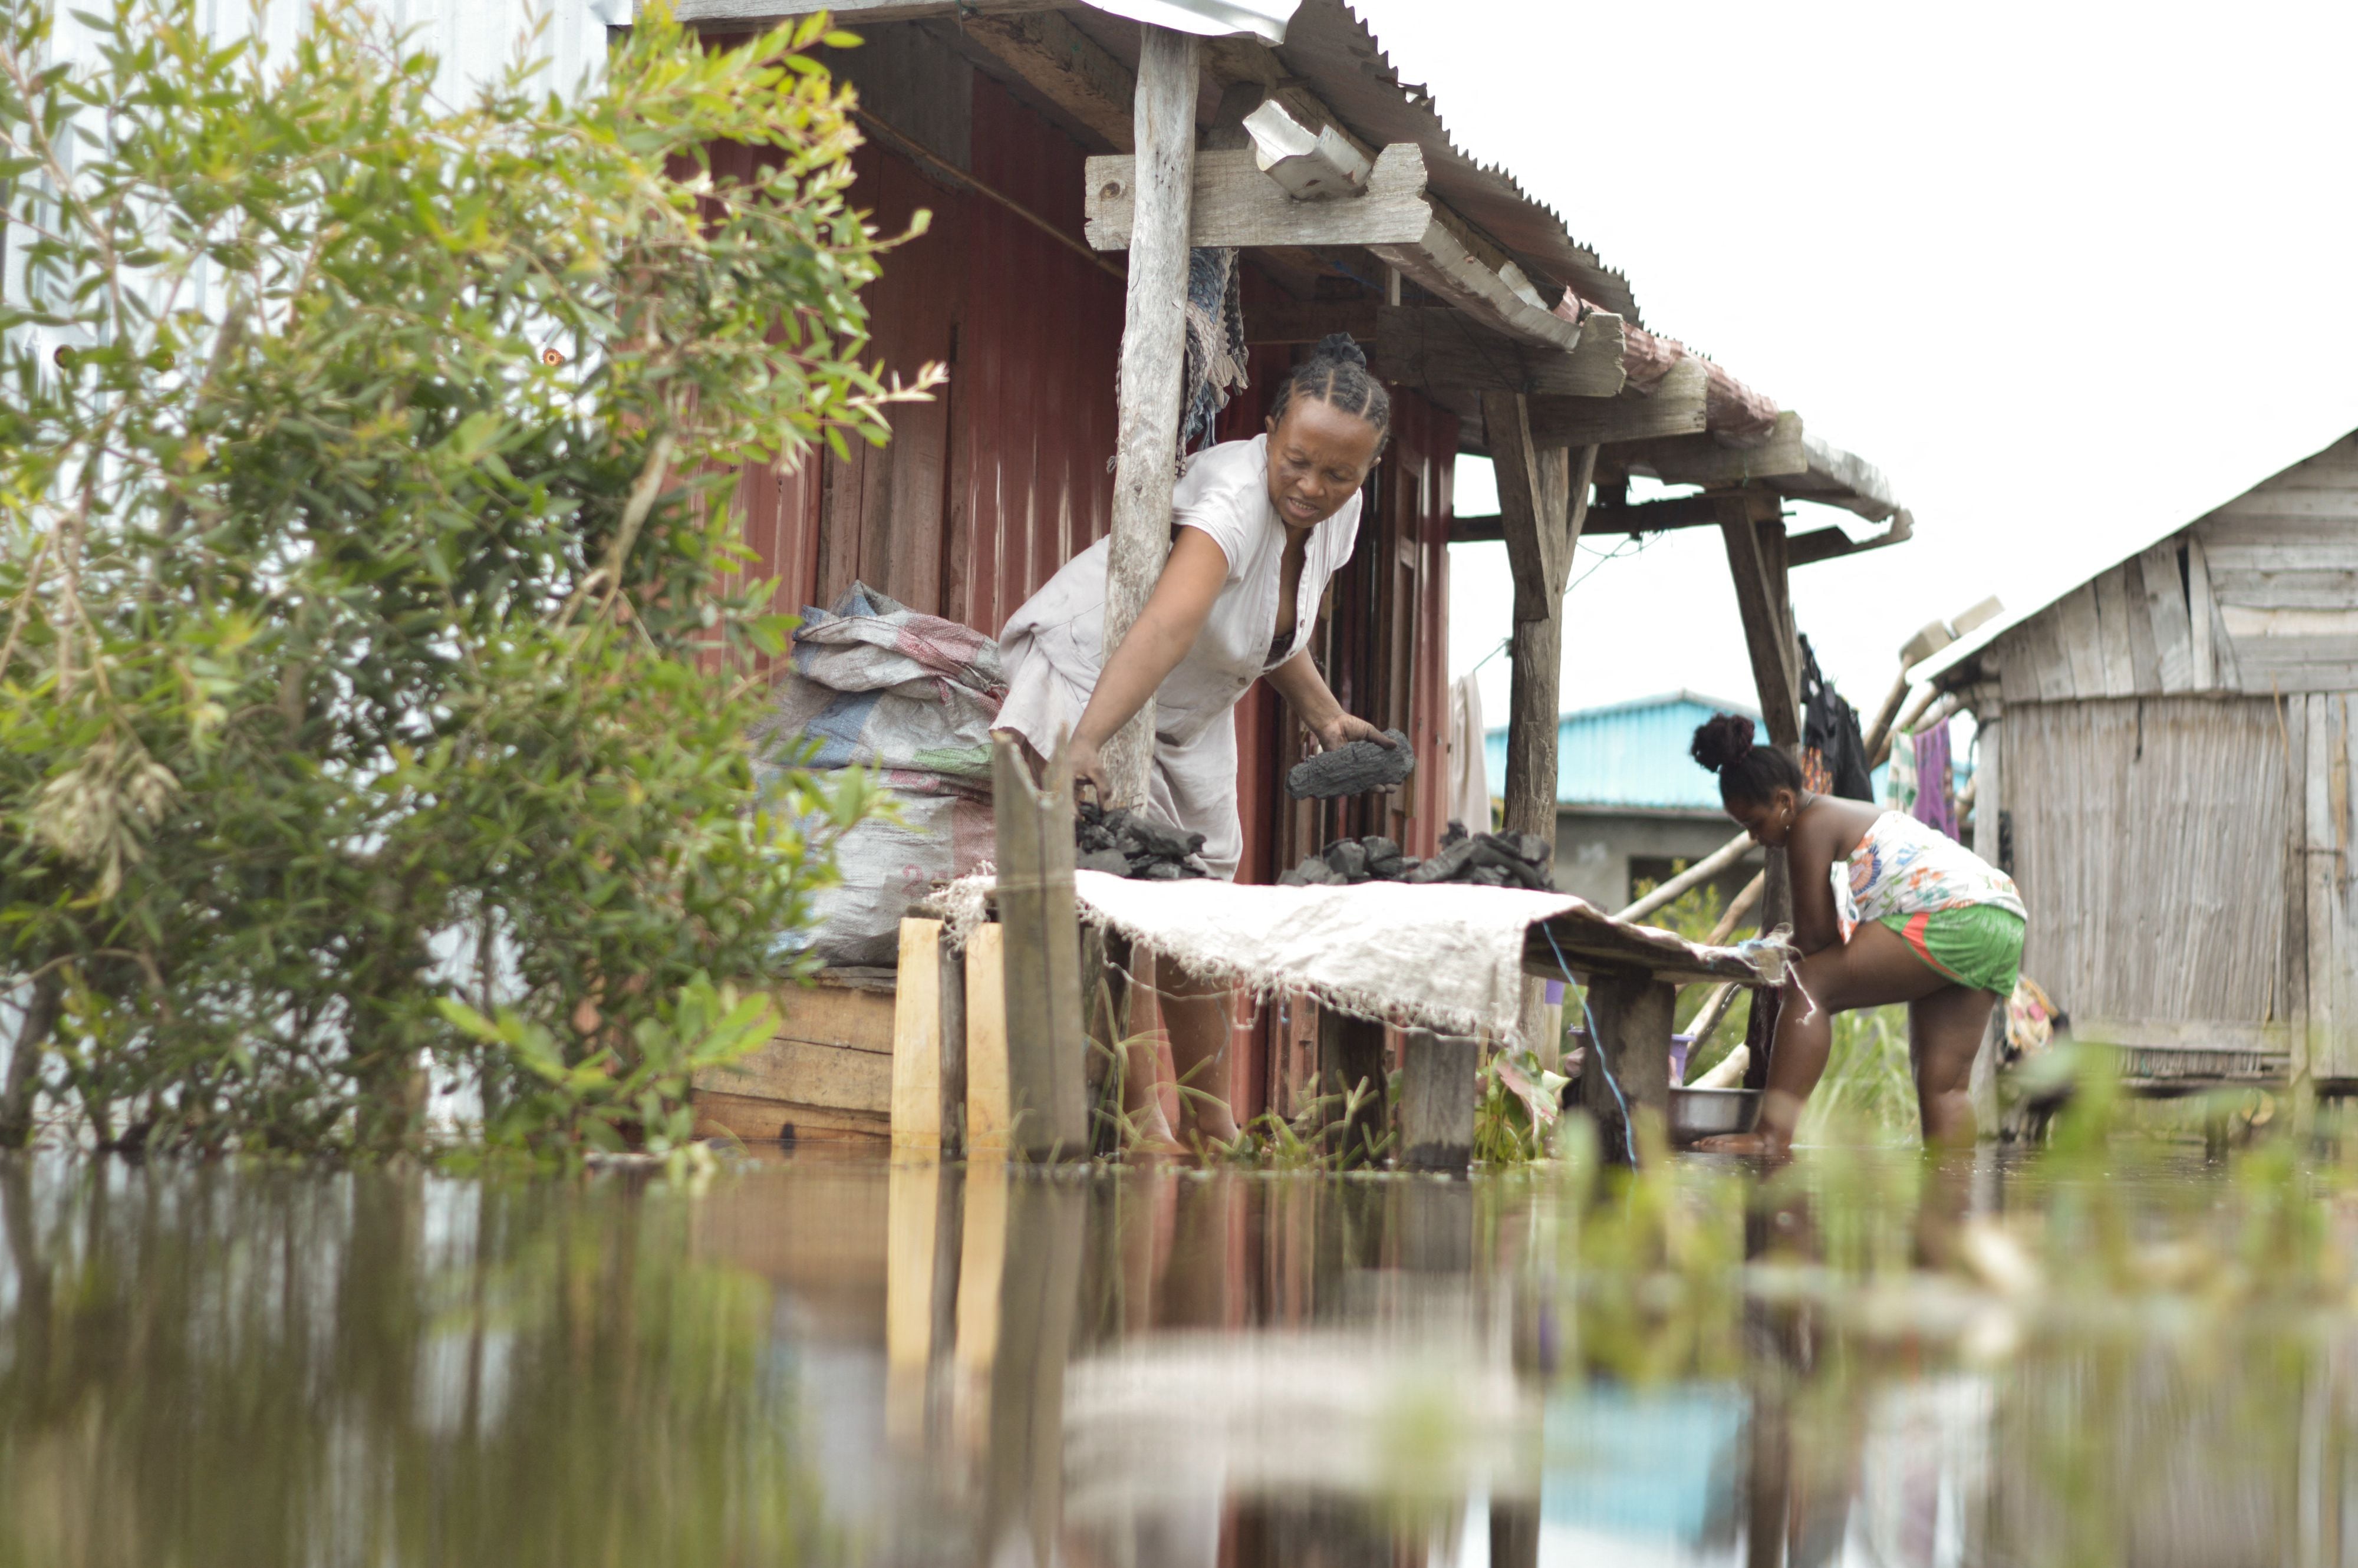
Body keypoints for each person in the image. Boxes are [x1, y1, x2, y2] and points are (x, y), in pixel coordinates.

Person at [993, 334, 1397, 1153]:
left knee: (1198, 921)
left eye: (1338, 474)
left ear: (1367, 470)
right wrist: (1086, 742)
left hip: (1191, 714)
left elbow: (1260, 627)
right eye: (1297, 461)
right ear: (1271, 428)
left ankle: (1213, 1125)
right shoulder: (1231, 502)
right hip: (1095, 677)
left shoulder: (1337, 513)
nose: (1313, 486)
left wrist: (1323, 713)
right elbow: (1172, 623)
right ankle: (1136, 1128)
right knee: (1117, 896)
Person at [1686, 712, 2026, 1156]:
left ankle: (1771, 1135)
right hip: (2001, 915)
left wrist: (1768, 951)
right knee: (1944, 1088)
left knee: (1809, 984)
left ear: (1785, 802)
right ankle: (1951, 1202)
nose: (1754, 837)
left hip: (1953, 915)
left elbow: (1815, 943)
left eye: (1754, 823)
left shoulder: (1809, 825)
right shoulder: (1843, 814)